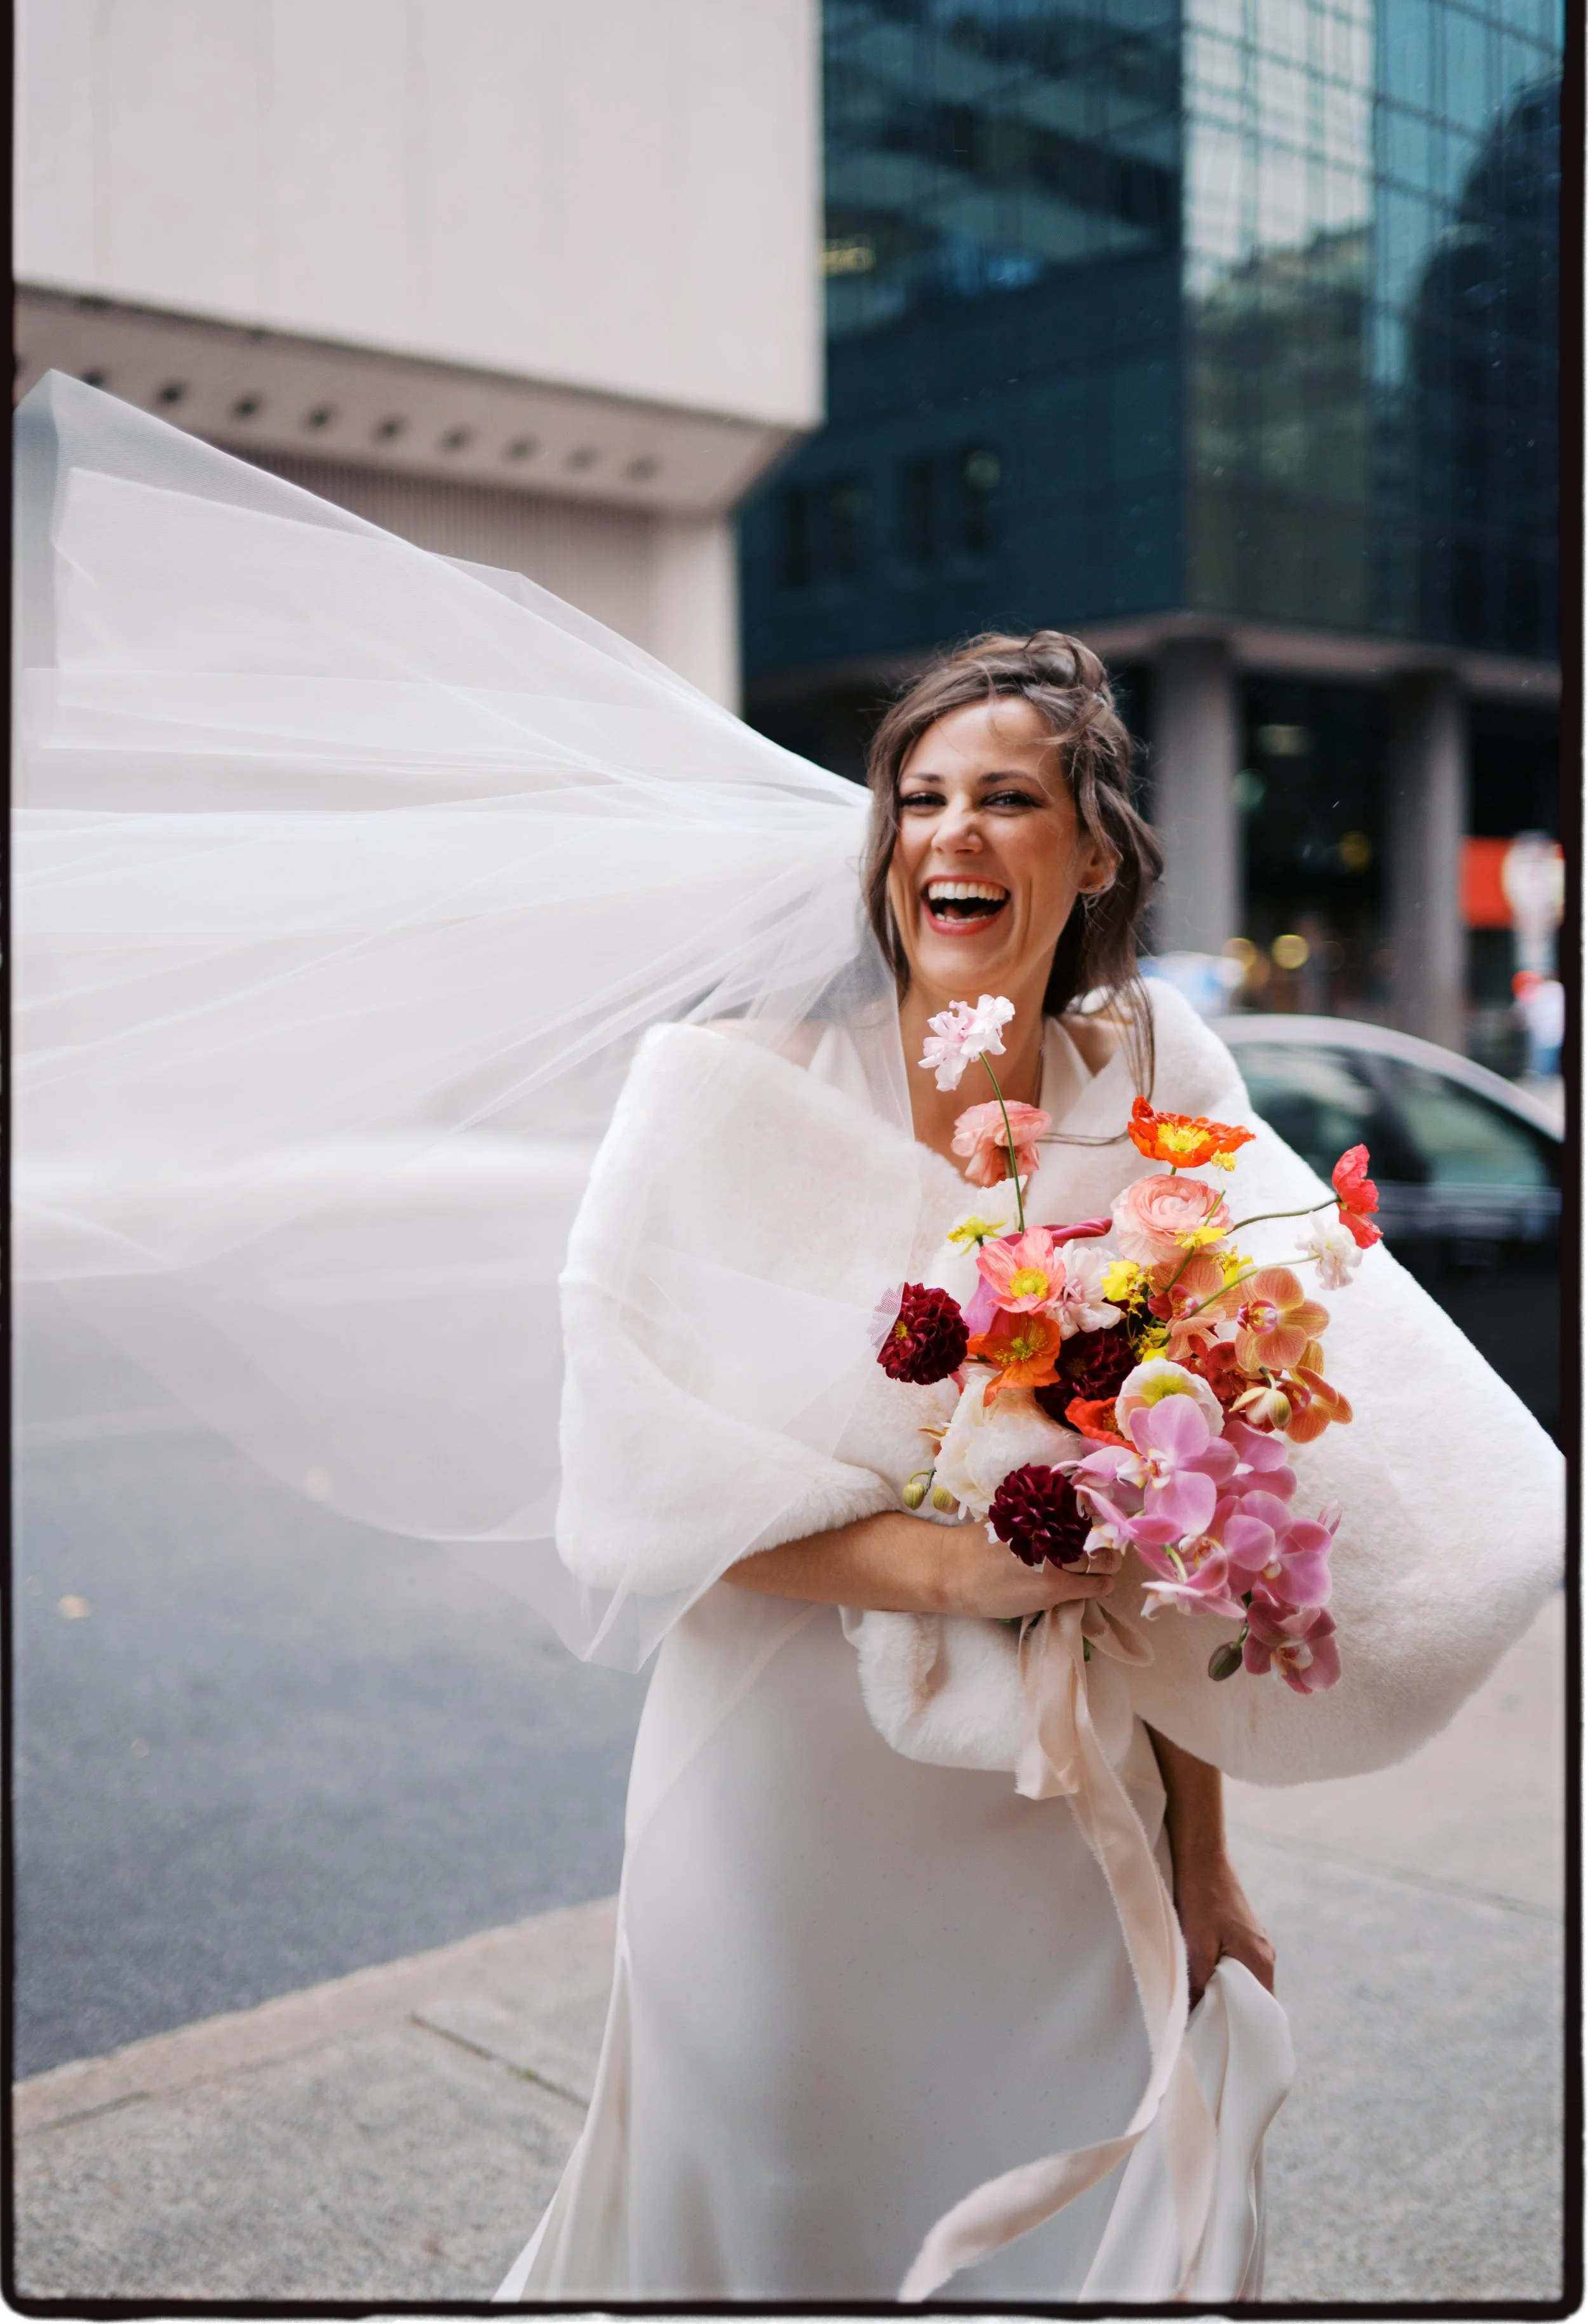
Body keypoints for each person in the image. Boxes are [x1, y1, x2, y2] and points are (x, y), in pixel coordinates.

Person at [15, 377, 1563, 2306]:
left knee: (1061, 2205)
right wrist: (946, 1555)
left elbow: (1200, 1516)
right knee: (775, 2214)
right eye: (919, 796)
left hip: (1043, 1806)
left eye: (1005, 797)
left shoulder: (1162, 1074)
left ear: (1094, 855)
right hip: (784, 1794)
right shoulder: (720, 1091)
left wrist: (1203, 1853)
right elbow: (632, 1491)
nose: (950, 832)